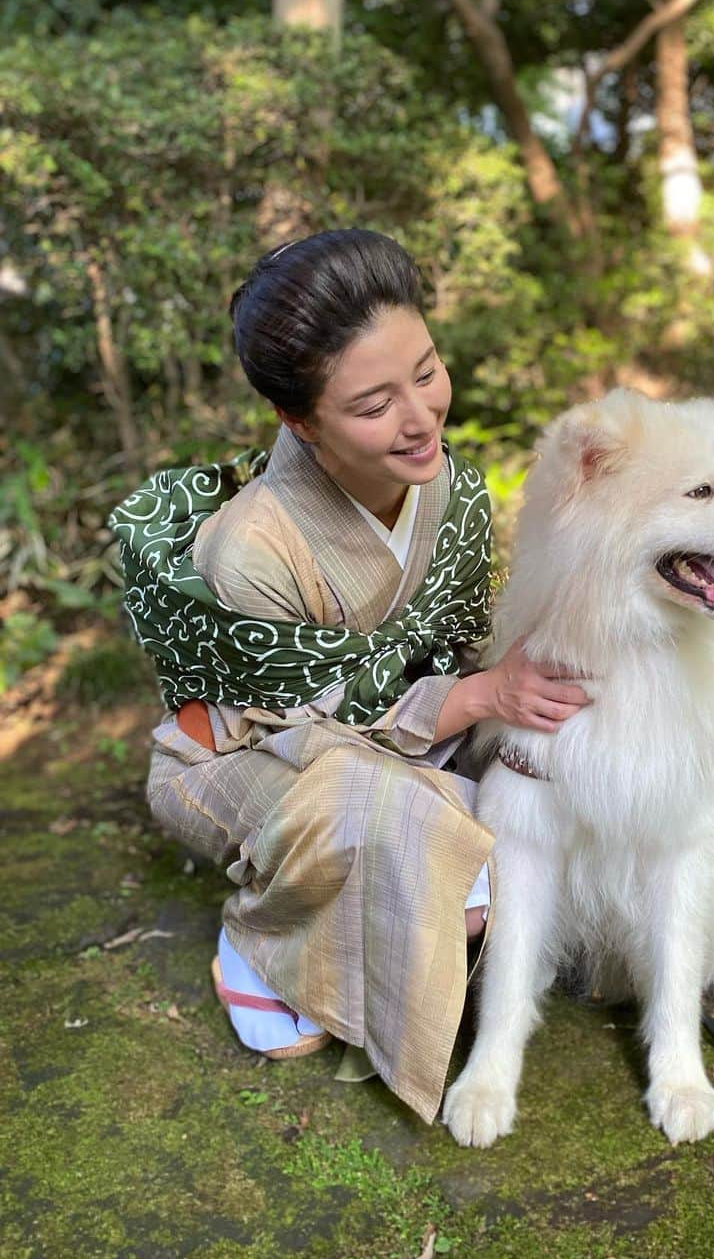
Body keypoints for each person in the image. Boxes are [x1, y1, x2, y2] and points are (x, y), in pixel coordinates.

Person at [108, 228, 590, 1121]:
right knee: (418, 834)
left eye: (427, 370)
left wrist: (500, 695)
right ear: (300, 419)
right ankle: (259, 941)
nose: (420, 416)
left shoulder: (457, 491)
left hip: (408, 730)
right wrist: (477, 700)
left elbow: (462, 642)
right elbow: (302, 727)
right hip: (255, 759)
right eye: (373, 404)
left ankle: (369, 914)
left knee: (548, 786)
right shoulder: (253, 544)